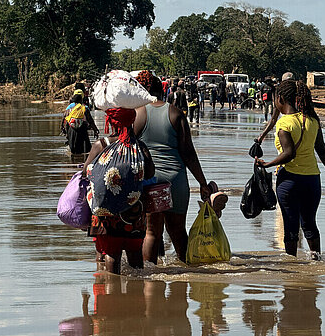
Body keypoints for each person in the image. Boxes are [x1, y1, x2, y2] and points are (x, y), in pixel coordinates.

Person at [255, 80, 325, 259]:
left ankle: (292, 269)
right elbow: (322, 150)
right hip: (312, 180)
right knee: (310, 224)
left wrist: (266, 164)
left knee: (291, 227)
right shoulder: (312, 120)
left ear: (280, 99)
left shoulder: (284, 123)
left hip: (289, 181)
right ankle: (316, 261)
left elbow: (289, 154)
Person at [134, 71, 212, 264]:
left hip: (150, 181)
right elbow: (189, 154)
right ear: (161, 89)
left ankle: (149, 280)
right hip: (176, 180)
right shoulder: (175, 113)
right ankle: (187, 275)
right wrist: (203, 183)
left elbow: (129, 149)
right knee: (177, 231)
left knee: (151, 233)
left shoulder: (137, 114)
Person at [82, 108, 155, 274]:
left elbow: (85, 172)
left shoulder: (101, 145)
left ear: (111, 122)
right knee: (135, 253)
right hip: (134, 214)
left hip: (106, 213)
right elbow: (150, 173)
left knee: (112, 253)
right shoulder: (139, 147)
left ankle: (111, 294)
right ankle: (136, 294)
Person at [61, 89, 99, 155]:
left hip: (71, 131)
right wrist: (95, 130)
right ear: (81, 100)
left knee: (73, 151)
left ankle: (73, 163)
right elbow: (90, 121)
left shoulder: (69, 110)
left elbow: (63, 121)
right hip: (82, 131)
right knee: (86, 150)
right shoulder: (84, 108)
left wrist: (63, 130)